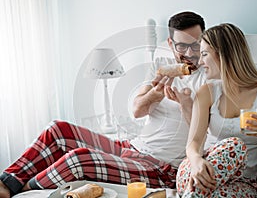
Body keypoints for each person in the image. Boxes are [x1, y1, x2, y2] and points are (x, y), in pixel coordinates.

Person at [0, 11, 206, 197]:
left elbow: (205, 134)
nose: (189, 53)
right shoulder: (160, 66)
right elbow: (137, 110)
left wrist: (186, 105)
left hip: (162, 169)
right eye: (182, 45)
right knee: (57, 129)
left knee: (79, 159)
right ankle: (8, 181)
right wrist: (155, 94)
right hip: (132, 147)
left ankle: (22, 191)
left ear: (203, 41)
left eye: (195, 44)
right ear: (170, 44)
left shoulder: (210, 79)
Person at [176, 23, 257, 197]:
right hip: (196, 170)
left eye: (204, 54)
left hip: (242, 182)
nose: (200, 61)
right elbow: (193, 143)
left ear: (224, 55)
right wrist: (196, 161)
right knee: (233, 146)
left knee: (235, 148)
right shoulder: (206, 92)